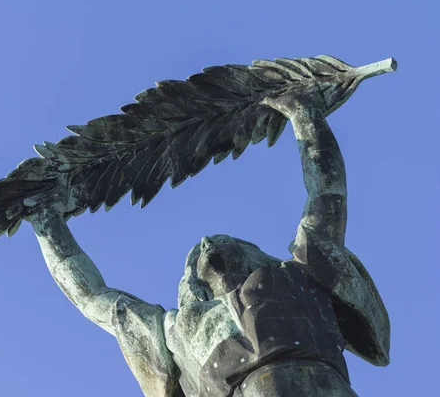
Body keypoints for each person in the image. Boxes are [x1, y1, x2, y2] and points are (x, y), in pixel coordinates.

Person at [29, 84, 390, 396]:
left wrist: (304, 112)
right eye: (194, 254)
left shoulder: (299, 277)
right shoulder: (175, 330)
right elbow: (94, 299)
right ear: (191, 286)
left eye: (222, 240)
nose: (204, 242)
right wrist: (47, 225)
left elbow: (327, 195)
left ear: (255, 255)